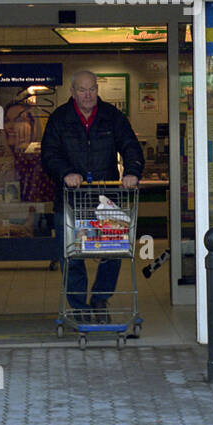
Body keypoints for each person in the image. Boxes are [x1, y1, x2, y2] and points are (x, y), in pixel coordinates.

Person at [41, 70, 144, 321]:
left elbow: (131, 146)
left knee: (114, 252)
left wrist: (131, 172)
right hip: (70, 199)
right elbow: (49, 155)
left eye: (92, 89)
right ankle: (79, 307)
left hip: (106, 199)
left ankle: (100, 299)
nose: (88, 95)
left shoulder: (112, 117)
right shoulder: (59, 119)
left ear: (98, 90)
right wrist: (66, 173)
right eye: (82, 90)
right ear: (73, 93)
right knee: (72, 255)